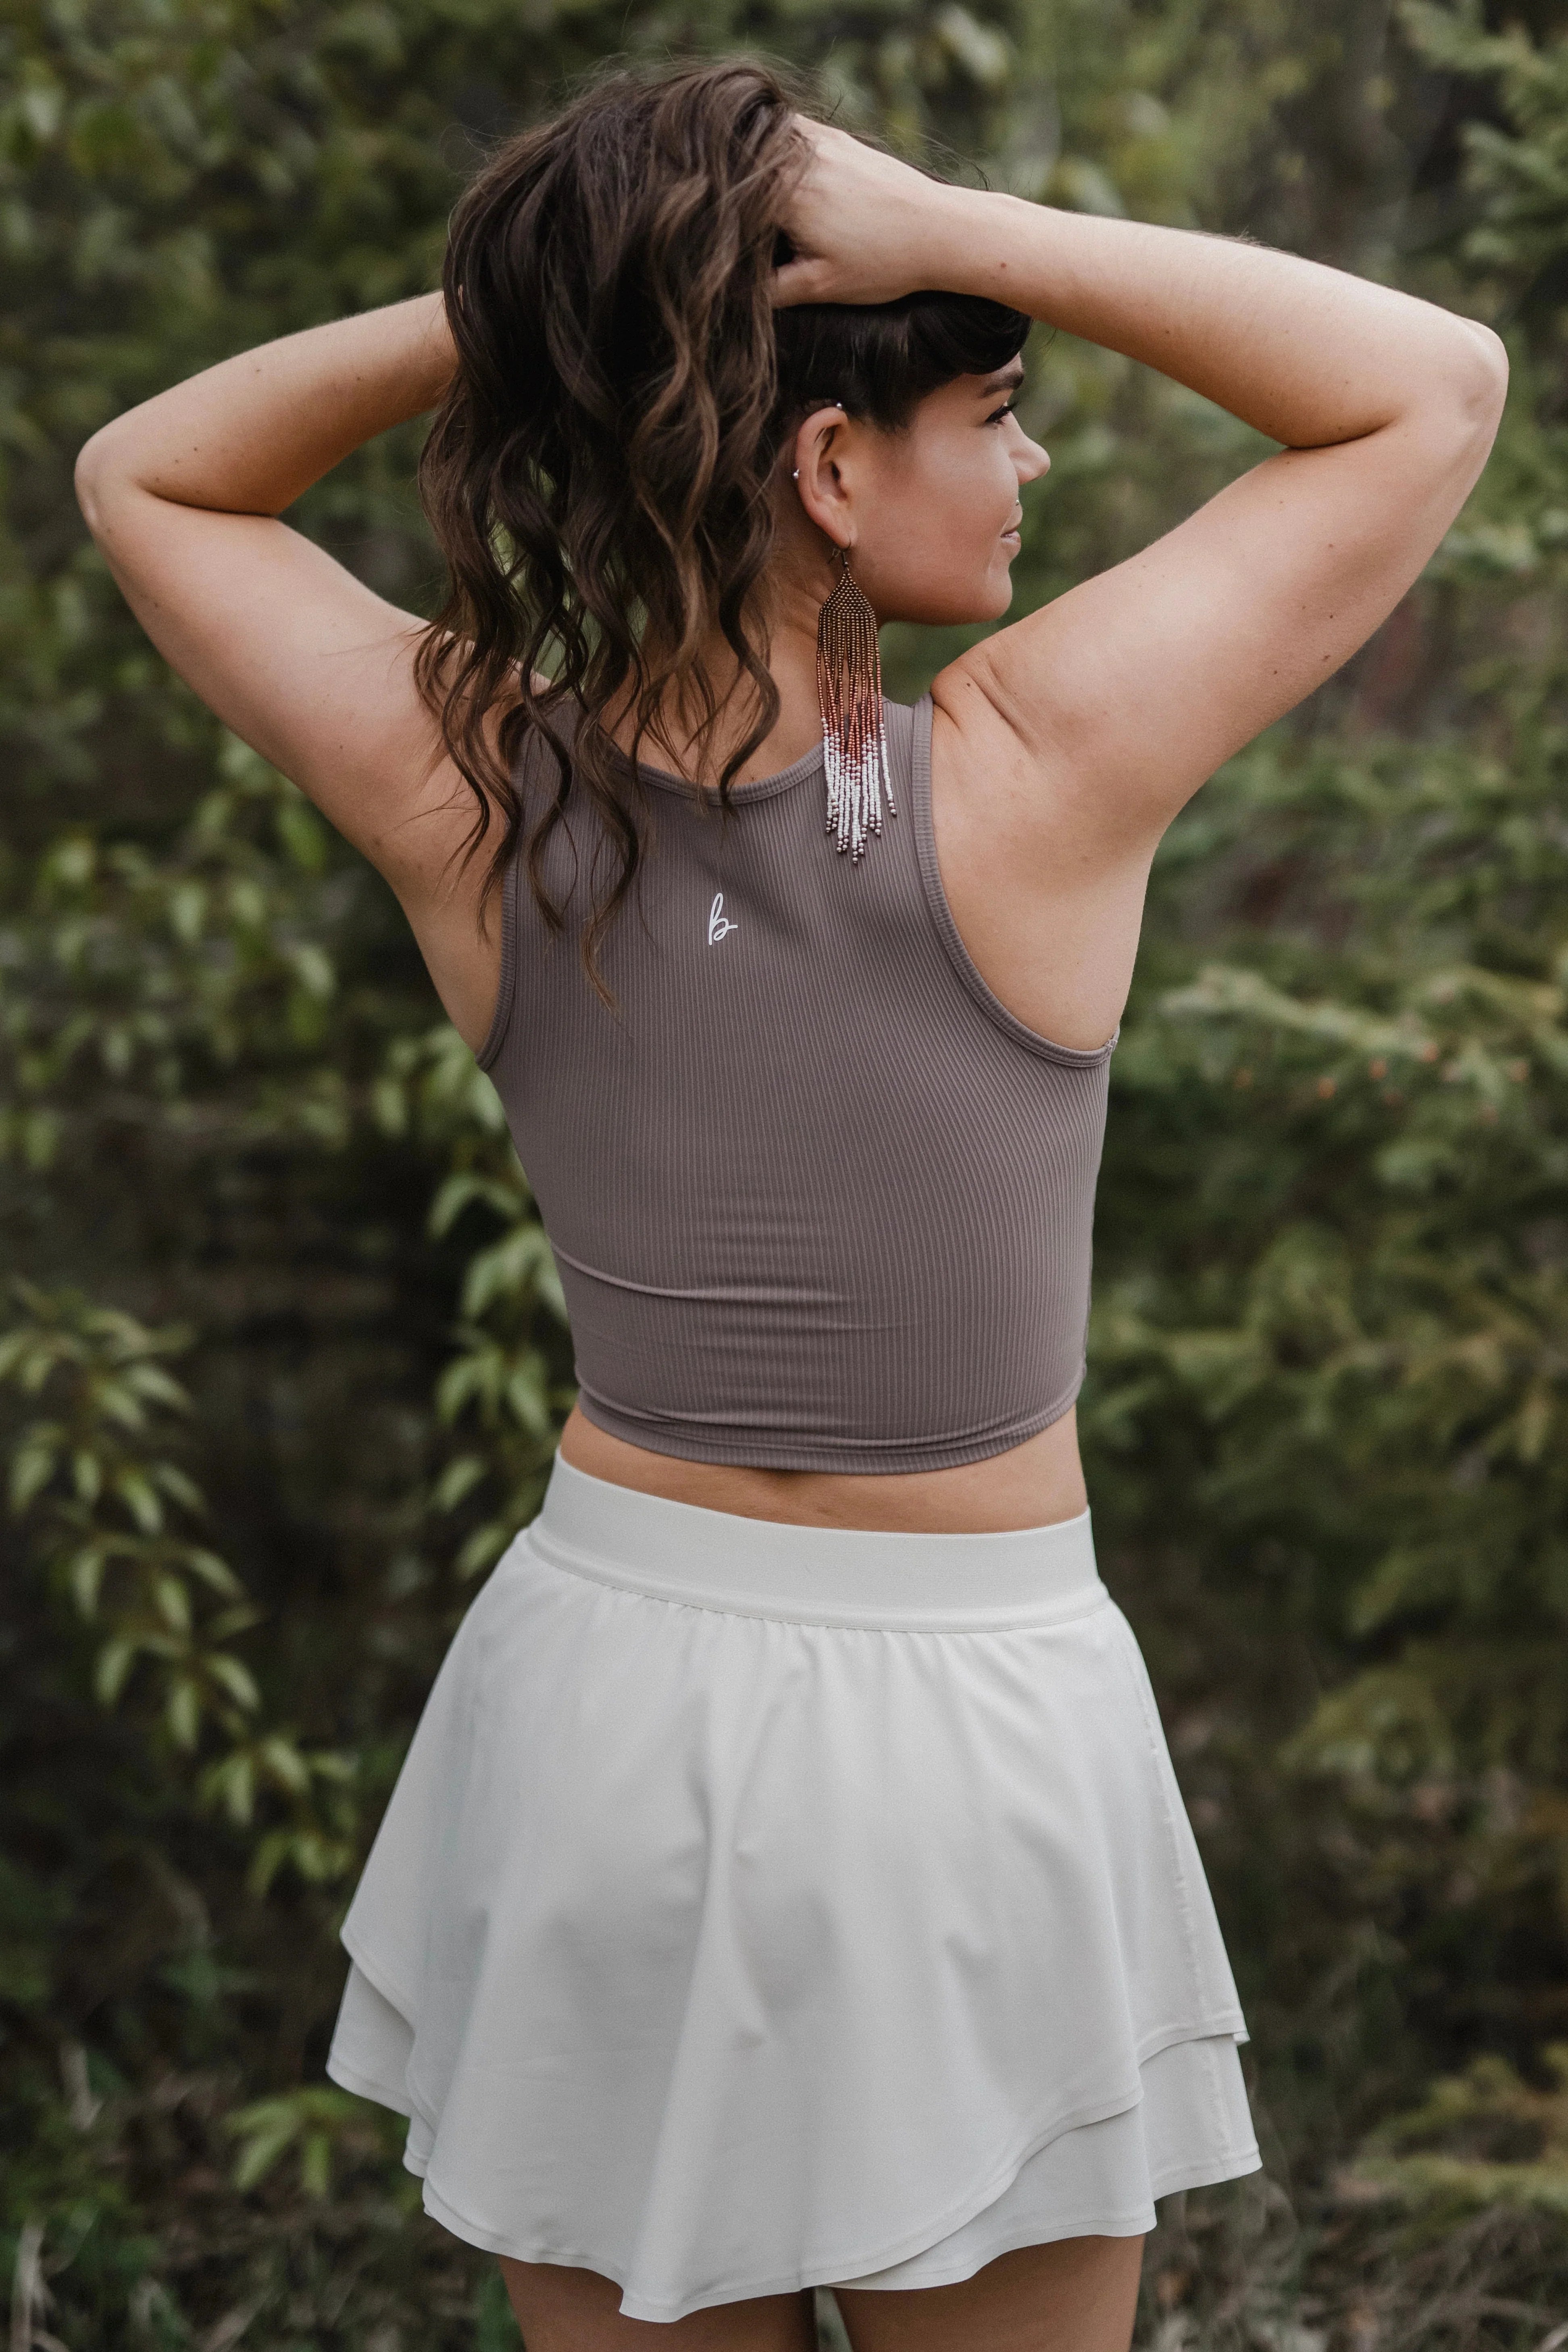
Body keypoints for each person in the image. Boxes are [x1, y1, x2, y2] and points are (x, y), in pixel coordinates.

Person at [73, 56, 1506, 2352]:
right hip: (967, 1730)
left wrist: (581, 291)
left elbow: (147, 472)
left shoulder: (479, 795)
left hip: (599, 1712)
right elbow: (1428, 387)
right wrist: (947, 218)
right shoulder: (1032, 772)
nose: (1028, 459)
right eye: (996, 409)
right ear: (833, 462)